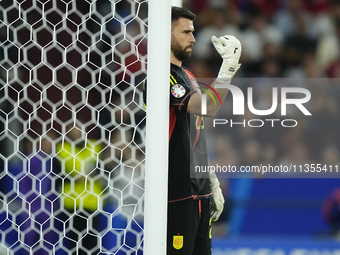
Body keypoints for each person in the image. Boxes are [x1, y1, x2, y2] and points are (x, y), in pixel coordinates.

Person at [143, 6, 242, 255]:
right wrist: (227, 68)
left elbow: (197, 128)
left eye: (193, 31)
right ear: (165, 34)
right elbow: (207, 108)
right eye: (186, 32)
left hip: (199, 190)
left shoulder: (187, 74)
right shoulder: (160, 77)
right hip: (178, 191)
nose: (193, 38)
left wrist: (210, 178)